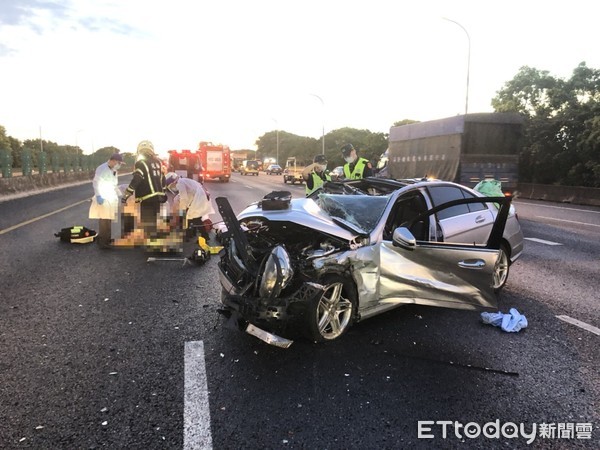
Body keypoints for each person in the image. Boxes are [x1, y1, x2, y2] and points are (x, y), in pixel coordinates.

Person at [122, 140, 166, 241]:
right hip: (158, 197)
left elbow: (137, 178)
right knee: (154, 220)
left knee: (147, 222)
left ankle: (151, 243)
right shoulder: (158, 162)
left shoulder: (141, 163)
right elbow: (162, 178)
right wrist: (163, 192)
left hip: (147, 197)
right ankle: (154, 240)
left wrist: (127, 194)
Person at [89, 153, 124, 249]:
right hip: (103, 197)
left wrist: (120, 195)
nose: (119, 165)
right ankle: (103, 242)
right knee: (104, 219)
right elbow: (96, 183)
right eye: (118, 162)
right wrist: (99, 196)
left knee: (108, 218)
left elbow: (114, 184)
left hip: (110, 197)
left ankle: (106, 239)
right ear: (112, 160)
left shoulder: (114, 170)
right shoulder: (102, 168)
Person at [164, 172, 215, 240]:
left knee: (192, 218)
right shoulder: (184, 181)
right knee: (192, 218)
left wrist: (182, 211)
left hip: (199, 200)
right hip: (200, 198)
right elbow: (188, 195)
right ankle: (191, 235)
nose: (172, 188)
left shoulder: (180, 183)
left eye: (171, 186)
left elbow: (184, 199)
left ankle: (203, 237)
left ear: (173, 182)